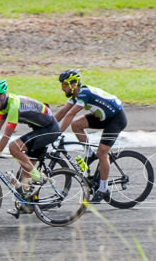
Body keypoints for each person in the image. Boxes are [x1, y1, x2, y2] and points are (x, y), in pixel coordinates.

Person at [0, 80, 60, 215]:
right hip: (40, 128)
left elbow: (6, 135)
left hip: (49, 129)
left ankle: (38, 177)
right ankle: (27, 204)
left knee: (14, 147)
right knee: (26, 169)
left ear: (1, 96)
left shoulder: (13, 106)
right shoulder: (5, 105)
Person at [53, 69, 128, 203]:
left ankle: (103, 189)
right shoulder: (75, 96)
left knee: (102, 152)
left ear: (74, 84)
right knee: (76, 125)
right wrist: (48, 126)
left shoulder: (84, 93)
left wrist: (56, 134)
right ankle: (89, 154)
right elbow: (63, 111)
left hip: (116, 118)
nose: (62, 88)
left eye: (64, 85)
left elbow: (70, 114)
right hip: (103, 116)